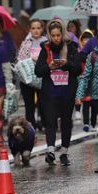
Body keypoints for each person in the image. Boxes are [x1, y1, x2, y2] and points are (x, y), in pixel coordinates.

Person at [34, 20, 81, 166]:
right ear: (49, 35)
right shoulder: (45, 49)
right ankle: (50, 151)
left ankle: (64, 152)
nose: (56, 38)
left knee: (66, 122)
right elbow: (38, 71)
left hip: (67, 92)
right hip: (50, 93)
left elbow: (78, 69)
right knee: (50, 122)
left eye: (58, 35)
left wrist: (66, 64)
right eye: (53, 35)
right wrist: (50, 66)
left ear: (62, 34)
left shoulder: (71, 47)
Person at [16, 19, 46, 128]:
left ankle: (43, 123)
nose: (36, 31)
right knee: (29, 105)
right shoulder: (26, 43)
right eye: (33, 28)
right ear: (30, 30)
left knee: (43, 103)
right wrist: (30, 58)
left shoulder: (46, 42)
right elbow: (20, 59)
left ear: (42, 29)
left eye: (38, 28)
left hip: (42, 77)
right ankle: (30, 126)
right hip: (27, 78)